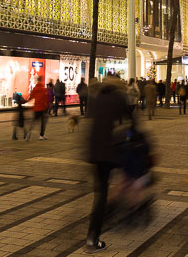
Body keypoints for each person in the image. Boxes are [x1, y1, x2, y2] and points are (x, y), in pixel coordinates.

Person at [85, 75, 129, 253]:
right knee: (123, 185)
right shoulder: (119, 98)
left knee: (100, 194)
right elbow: (131, 122)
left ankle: (92, 237)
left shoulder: (98, 98)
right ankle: (109, 217)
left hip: (96, 153)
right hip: (112, 152)